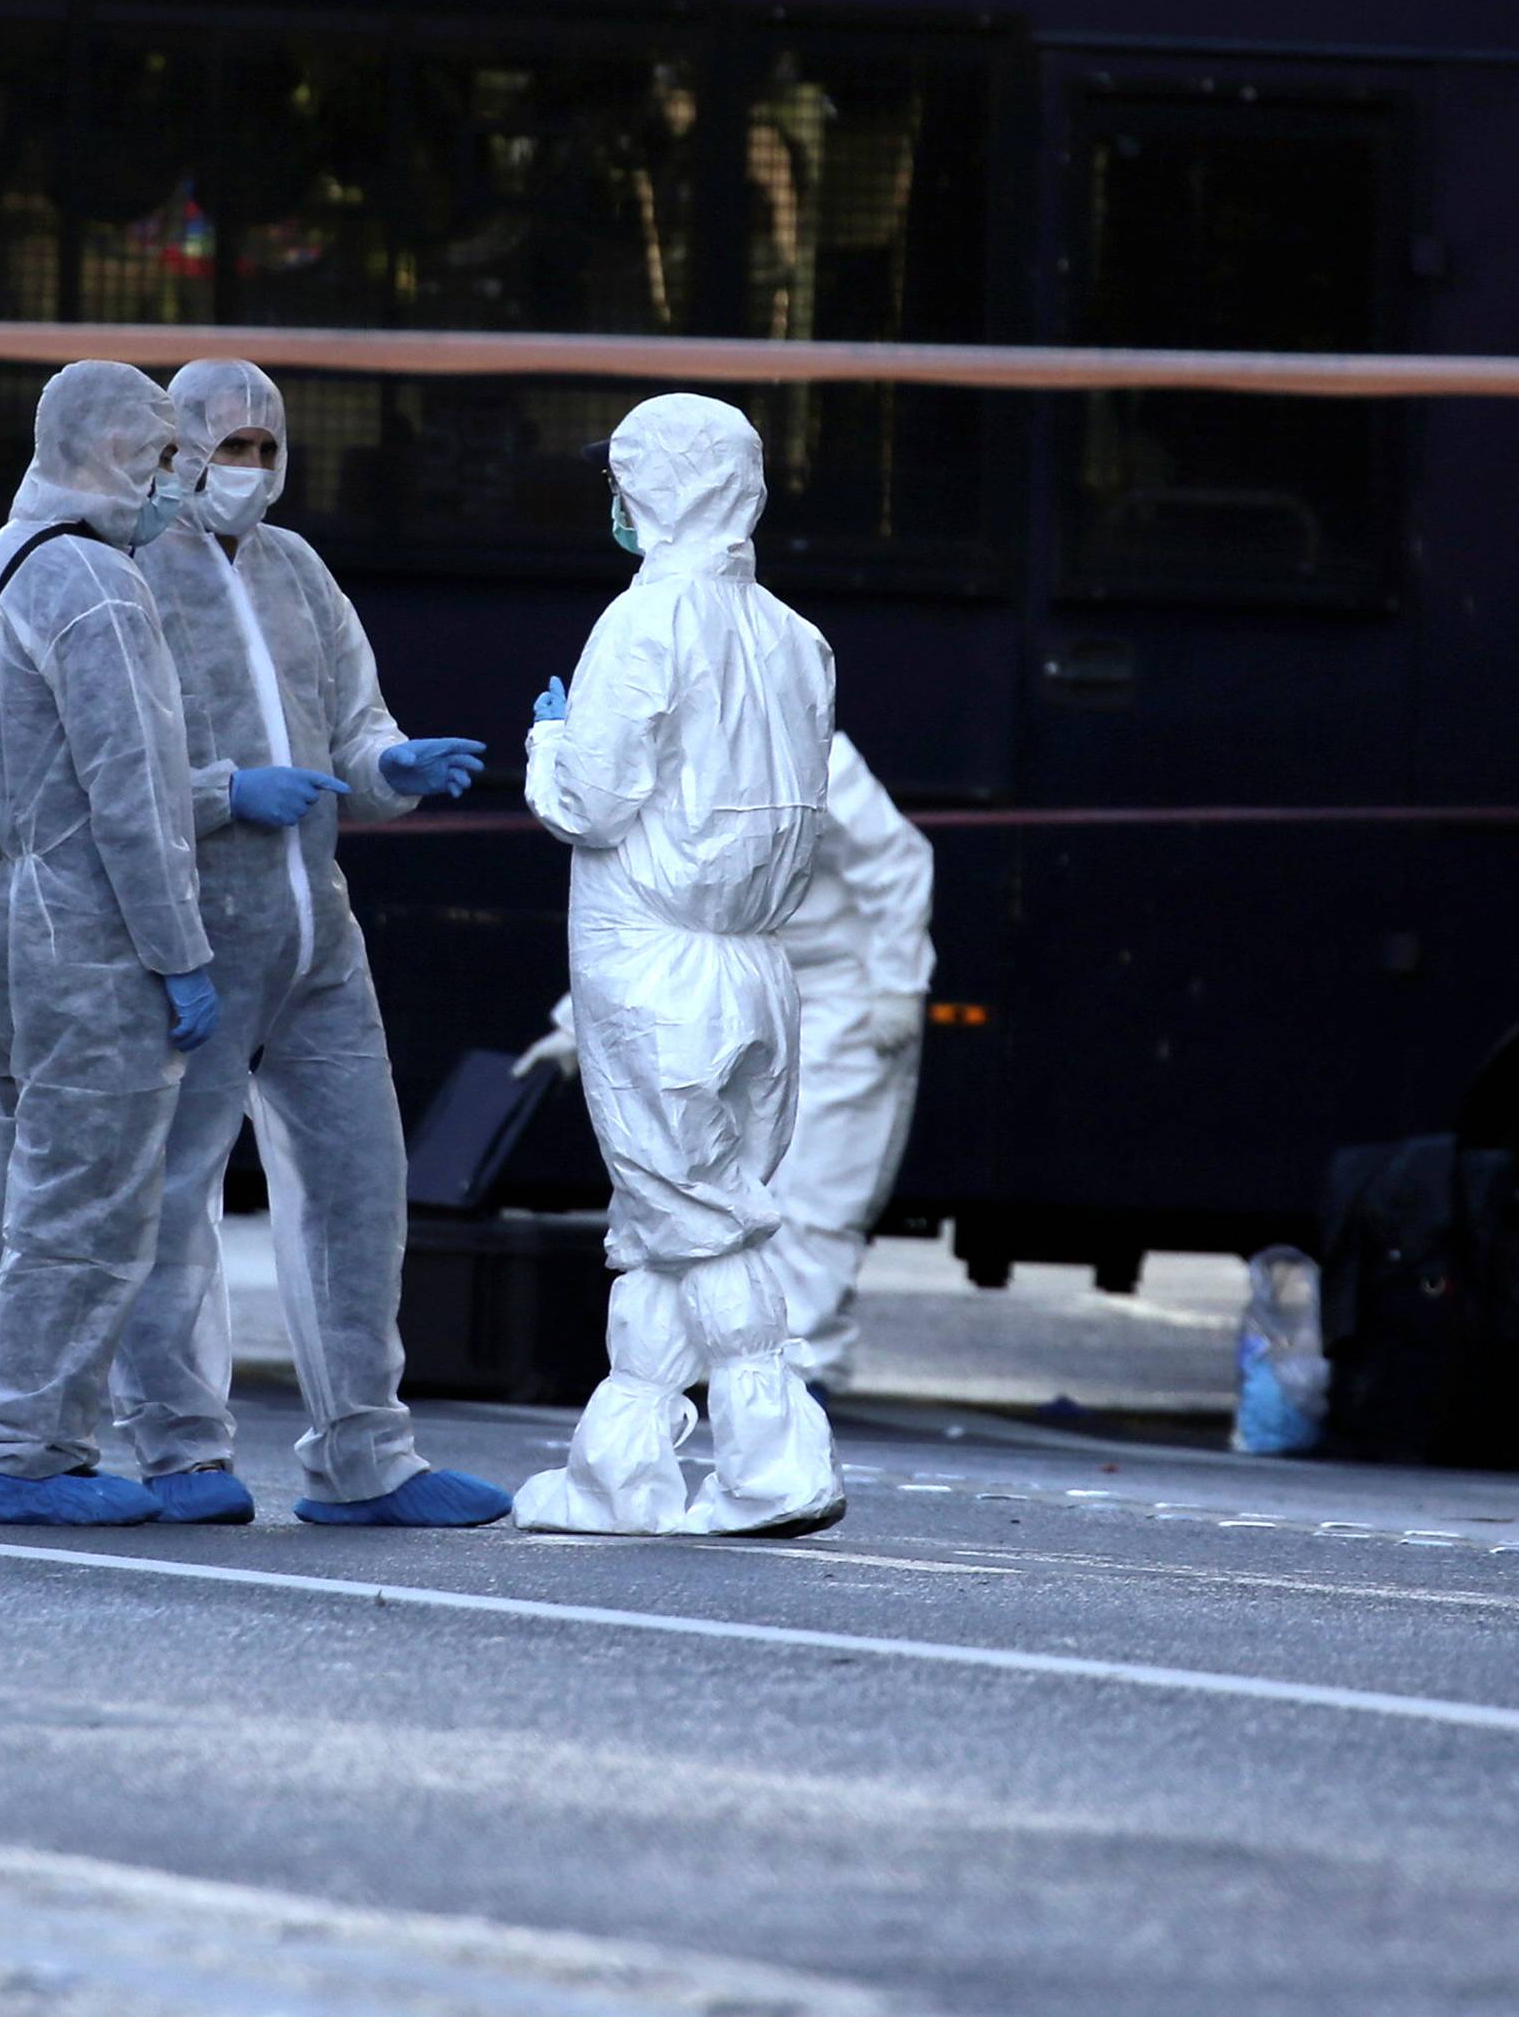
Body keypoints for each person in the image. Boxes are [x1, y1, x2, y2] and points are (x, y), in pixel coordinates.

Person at [105, 358, 508, 1528]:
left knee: (358, 1186)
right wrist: (229, 790)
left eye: (267, 449)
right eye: (230, 446)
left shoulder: (300, 571)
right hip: (190, 931)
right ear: (175, 447)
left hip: (313, 936)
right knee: (173, 1198)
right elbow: (100, 776)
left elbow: (355, 729)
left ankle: (366, 1459)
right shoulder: (127, 573)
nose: (250, 470)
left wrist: (394, 766)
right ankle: (180, 1451)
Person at [511, 392, 843, 1537]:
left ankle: (772, 1460)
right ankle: (622, 1468)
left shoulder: (643, 621)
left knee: (698, 1216)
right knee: (663, 1220)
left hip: (655, 968)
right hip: (758, 969)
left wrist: (551, 739)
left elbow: (591, 803)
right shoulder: (797, 638)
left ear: (650, 487)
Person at [0, 360, 217, 1528]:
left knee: (20, 1197)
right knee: (86, 1202)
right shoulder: (97, 585)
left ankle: (18, 1426)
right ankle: (26, 1452)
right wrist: (179, 951)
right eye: (159, 461)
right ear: (110, 453)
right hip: (88, 935)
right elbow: (135, 794)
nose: (172, 489)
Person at [516, 732, 933, 1394]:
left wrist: (898, 983)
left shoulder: (807, 741)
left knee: (820, 1184)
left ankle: (802, 1366)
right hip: (734, 971)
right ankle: (735, 1359)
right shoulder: (662, 762)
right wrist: (579, 1023)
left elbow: (895, 860)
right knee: (714, 1182)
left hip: (839, 988)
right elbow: (641, 900)